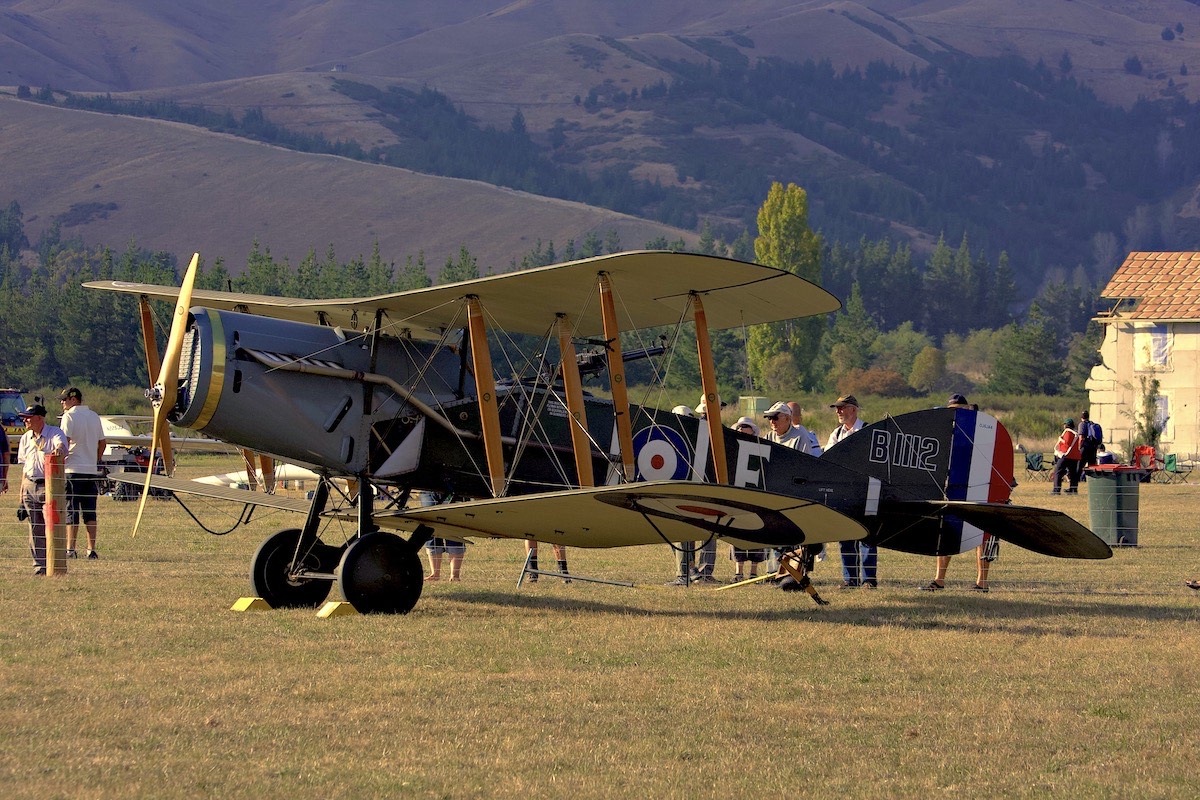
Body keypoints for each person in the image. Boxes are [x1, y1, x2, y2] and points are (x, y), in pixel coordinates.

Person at [921, 394, 995, 593]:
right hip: (952, 488)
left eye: (961, 409)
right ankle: (939, 579)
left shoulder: (982, 429)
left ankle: (982, 582)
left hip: (978, 487)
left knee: (982, 535)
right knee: (945, 532)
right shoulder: (945, 432)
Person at [825, 394, 876, 588]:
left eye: (842, 407)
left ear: (853, 409)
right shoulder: (836, 434)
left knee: (867, 536)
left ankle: (869, 579)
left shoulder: (868, 430)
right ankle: (850, 578)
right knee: (845, 535)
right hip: (844, 491)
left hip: (866, 490)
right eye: (837, 408)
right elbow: (829, 459)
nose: (838, 411)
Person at [16, 404, 67, 575]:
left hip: (49, 485)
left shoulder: (54, 433)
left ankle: (55, 563)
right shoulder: (25, 438)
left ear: (39, 418)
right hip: (30, 484)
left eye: (28, 417)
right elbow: (24, 470)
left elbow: (62, 447)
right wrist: (21, 498)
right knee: (35, 527)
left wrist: (57, 450)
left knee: (51, 524)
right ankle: (39, 566)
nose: (25, 421)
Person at [58, 387, 106, 559]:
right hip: (90, 470)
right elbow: (103, 443)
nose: (62, 403)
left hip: (72, 469)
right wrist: (95, 459)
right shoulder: (94, 416)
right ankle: (91, 549)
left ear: (73, 399)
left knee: (71, 510)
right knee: (90, 511)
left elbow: (65, 441)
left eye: (64, 399)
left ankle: (71, 549)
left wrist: (60, 461)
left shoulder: (69, 416)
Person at [1051, 418, 1083, 494]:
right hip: (1074, 456)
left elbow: (1067, 443)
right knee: (1073, 474)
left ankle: (1056, 490)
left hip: (1066, 456)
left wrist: (1061, 440)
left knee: (1058, 472)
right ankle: (1073, 489)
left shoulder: (1068, 432)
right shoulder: (1076, 433)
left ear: (1066, 425)